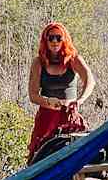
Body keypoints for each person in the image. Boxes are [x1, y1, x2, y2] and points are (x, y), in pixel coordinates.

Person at [27, 22, 94, 164]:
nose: (55, 42)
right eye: (51, 38)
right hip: (47, 118)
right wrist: (48, 101)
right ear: (45, 40)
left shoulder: (73, 59)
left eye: (59, 37)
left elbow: (90, 81)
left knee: (76, 157)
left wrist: (79, 100)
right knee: (40, 158)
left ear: (65, 39)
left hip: (69, 115)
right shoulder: (38, 62)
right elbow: (33, 95)